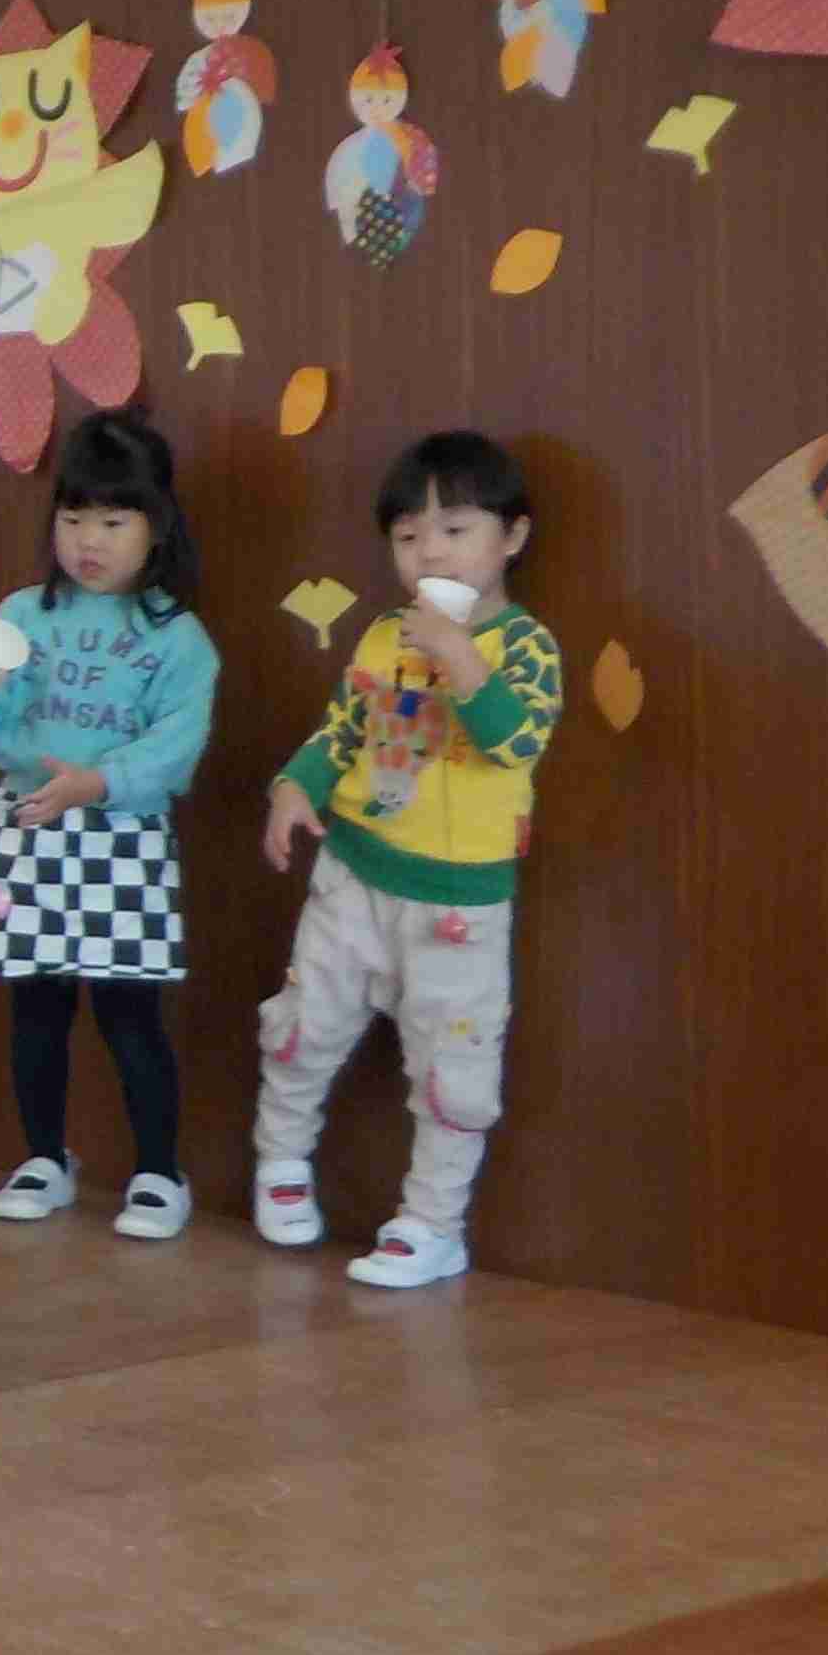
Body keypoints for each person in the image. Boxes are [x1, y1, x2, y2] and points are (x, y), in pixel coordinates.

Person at [252, 430, 564, 1290]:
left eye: (456, 530)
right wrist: (295, 786)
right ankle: (280, 1158)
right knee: (304, 1027)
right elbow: (342, 728)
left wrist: (460, 657)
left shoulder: (527, 646)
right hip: (353, 874)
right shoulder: (383, 635)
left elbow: (516, 742)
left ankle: (432, 1224)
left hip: (461, 902)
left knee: (453, 1072)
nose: (430, 551)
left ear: (513, 537)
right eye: (408, 536)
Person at [0, 408, 220, 1239]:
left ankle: (159, 1172)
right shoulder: (25, 612)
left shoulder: (177, 637)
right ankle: (44, 1158)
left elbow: (177, 746)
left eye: (114, 521)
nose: (89, 539)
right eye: (74, 517)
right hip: (27, 832)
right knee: (37, 1009)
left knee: (130, 1014)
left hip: (121, 840)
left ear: (156, 527)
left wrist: (100, 783)